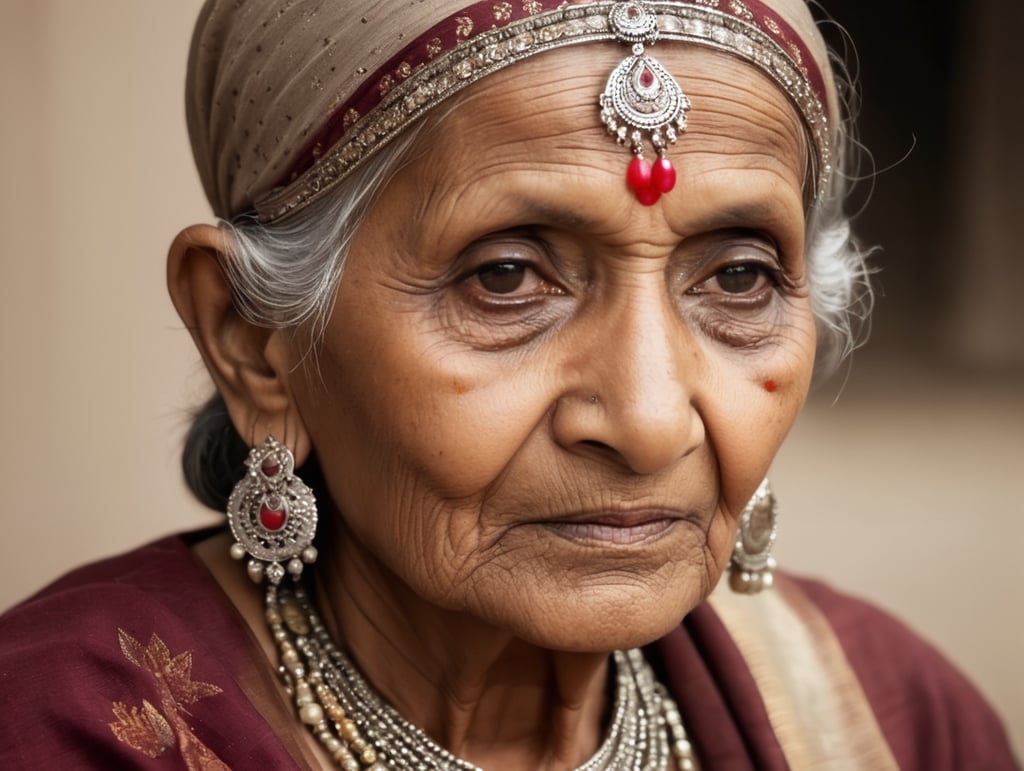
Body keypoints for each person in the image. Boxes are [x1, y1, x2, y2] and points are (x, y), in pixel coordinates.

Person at [0, 0, 1017, 768]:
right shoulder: (61, 730)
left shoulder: (896, 722)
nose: (649, 420)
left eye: (739, 278)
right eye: (505, 278)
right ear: (254, 341)